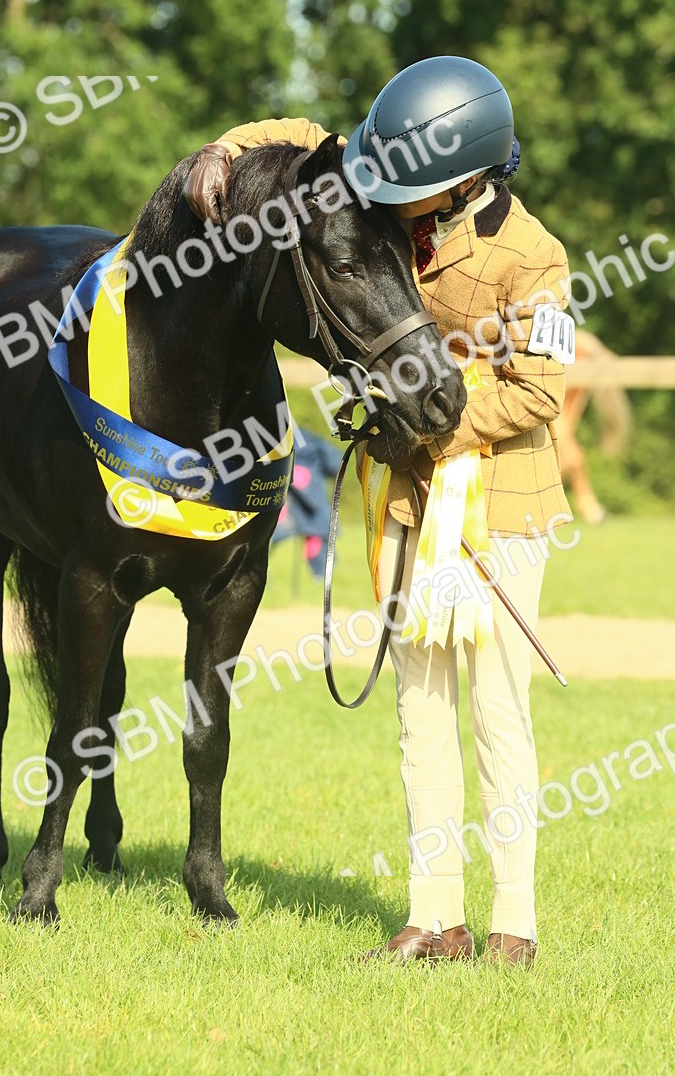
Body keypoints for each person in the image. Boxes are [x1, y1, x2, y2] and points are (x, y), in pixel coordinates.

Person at [183, 56, 573, 968]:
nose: (384, 196)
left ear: (466, 179)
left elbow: (541, 390)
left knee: (497, 716)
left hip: (501, 515)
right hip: (405, 509)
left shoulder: (535, 256)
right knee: (419, 712)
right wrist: (223, 147)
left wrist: (421, 426)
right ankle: (432, 917)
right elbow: (297, 143)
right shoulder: (395, 223)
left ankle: (513, 925)